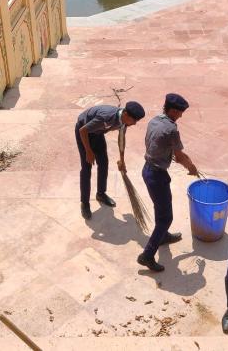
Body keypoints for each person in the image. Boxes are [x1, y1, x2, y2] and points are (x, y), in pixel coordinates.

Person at [137, 93, 197, 272]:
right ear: (172, 111)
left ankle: (162, 236)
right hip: (157, 176)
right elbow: (179, 156)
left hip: (147, 170)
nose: (181, 116)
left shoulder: (154, 120)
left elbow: (154, 144)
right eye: (180, 112)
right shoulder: (171, 130)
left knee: (160, 208)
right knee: (166, 218)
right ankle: (147, 255)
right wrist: (191, 167)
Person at [75, 101, 146, 220]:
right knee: (87, 168)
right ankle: (85, 203)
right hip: (84, 132)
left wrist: (122, 160)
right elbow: (83, 130)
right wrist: (88, 151)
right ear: (126, 114)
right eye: (134, 120)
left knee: (103, 163)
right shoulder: (106, 117)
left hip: (98, 133)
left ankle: (101, 194)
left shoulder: (124, 122)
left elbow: (121, 137)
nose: (134, 123)